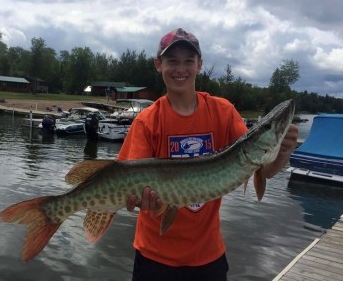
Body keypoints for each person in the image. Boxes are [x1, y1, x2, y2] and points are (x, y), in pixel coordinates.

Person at [117, 28, 299, 280]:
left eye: (188, 61)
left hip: (207, 258)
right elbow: (130, 180)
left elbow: (263, 169)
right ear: (158, 64)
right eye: (172, 61)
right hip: (154, 257)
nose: (180, 68)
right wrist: (138, 199)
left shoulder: (222, 112)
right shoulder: (148, 121)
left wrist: (282, 152)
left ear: (199, 65)